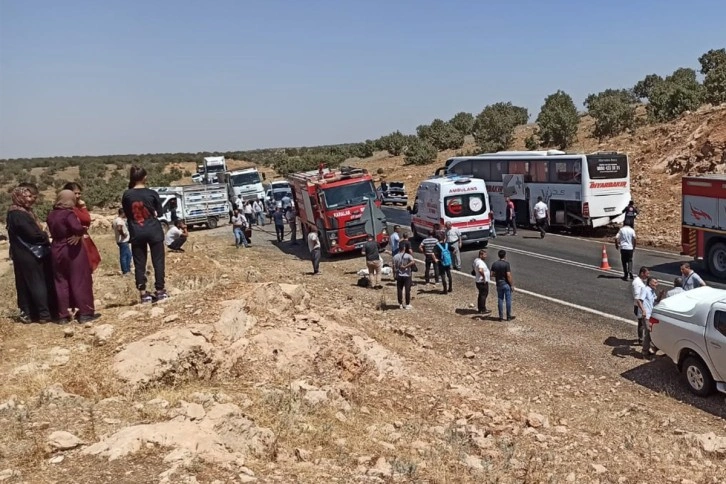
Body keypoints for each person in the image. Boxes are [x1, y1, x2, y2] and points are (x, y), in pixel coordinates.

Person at [6, 185, 57, 323]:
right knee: (37, 283)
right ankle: (43, 314)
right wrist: (44, 236)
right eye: (28, 196)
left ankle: (32, 313)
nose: (31, 199)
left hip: (26, 254)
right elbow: (33, 235)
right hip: (29, 255)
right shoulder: (18, 214)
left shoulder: (23, 212)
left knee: (27, 283)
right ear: (20, 197)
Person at [47, 190, 98, 323]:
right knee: (80, 279)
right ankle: (86, 312)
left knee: (60, 281)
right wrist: (81, 232)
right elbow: (77, 228)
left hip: (56, 248)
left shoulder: (51, 214)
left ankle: (63, 315)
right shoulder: (68, 214)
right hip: (71, 248)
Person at [122, 165, 168, 304]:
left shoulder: (127, 194)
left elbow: (127, 213)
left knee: (139, 263)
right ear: (145, 177)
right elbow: (159, 213)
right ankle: (160, 291)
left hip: (137, 231)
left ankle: (143, 293)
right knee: (158, 261)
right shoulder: (152, 193)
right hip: (154, 230)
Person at [63, 182, 101, 272]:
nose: (77, 196)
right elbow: (86, 219)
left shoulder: (77, 207)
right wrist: (83, 207)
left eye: (79, 193)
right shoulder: (69, 209)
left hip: (82, 238)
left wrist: (83, 207)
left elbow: (87, 221)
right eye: (74, 193)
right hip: (73, 241)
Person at [637, 276, 660, 360]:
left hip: (651, 315)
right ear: (650, 283)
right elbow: (639, 301)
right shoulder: (645, 290)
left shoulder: (652, 291)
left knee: (651, 333)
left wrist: (660, 295)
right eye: (655, 282)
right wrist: (643, 310)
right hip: (646, 315)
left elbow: (656, 300)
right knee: (649, 333)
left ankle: (649, 349)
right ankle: (645, 352)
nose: (657, 284)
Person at [491, 250, 515, 322]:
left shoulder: (494, 264)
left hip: (499, 283)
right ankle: (508, 316)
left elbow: (492, 274)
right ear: (505, 255)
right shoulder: (506, 264)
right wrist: (512, 285)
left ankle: (500, 316)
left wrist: (497, 275)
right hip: (506, 284)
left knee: (500, 299)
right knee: (508, 300)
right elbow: (508, 275)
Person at [393, 241, 415, 309]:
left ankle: (400, 303)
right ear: (404, 248)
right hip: (407, 275)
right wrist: (406, 267)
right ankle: (407, 304)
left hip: (399, 275)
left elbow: (394, 266)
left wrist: (394, 274)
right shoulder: (408, 256)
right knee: (407, 290)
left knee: (399, 289)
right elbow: (413, 262)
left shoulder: (395, 256)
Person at [632, 266, 649, 345]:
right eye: (647, 274)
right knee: (642, 323)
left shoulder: (640, 281)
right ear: (642, 273)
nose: (648, 275)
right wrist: (642, 309)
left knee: (642, 323)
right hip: (639, 306)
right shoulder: (637, 283)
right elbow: (637, 297)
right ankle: (641, 339)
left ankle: (642, 339)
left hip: (641, 305)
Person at [112, 208, 132, 275]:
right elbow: (119, 228)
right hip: (123, 241)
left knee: (128, 255)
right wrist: (123, 234)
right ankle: (125, 271)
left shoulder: (115, 220)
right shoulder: (119, 221)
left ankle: (128, 269)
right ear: (123, 213)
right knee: (124, 256)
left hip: (121, 240)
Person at [473, 249, 491, 315]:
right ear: (481, 255)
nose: (486, 256)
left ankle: (480, 308)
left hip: (478, 280)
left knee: (481, 295)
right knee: (484, 295)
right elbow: (480, 270)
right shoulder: (480, 262)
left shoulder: (476, 260)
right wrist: (484, 277)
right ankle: (483, 309)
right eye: (484, 255)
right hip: (482, 281)